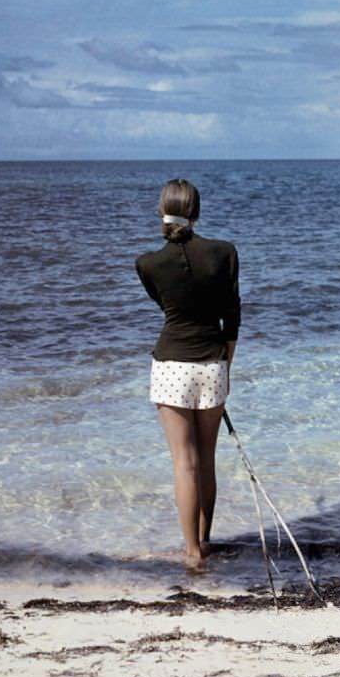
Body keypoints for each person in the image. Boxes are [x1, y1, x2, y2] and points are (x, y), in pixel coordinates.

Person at [136, 179, 240, 570]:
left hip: (170, 366)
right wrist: (225, 365)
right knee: (207, 460)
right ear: (196, 211)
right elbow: (232, 318)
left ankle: (192, 553)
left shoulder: (147, 264)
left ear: (161, 210)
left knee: (184, 462)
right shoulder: (224, 253)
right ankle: (206, 542)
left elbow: (165, 305)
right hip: (212, 362)